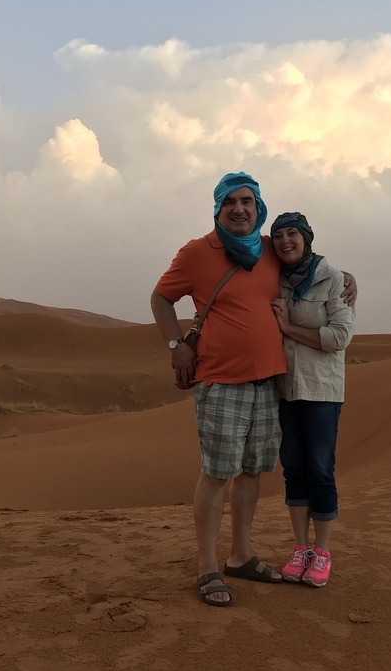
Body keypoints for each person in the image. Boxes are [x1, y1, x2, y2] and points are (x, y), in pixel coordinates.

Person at [150, 174, 355, 607]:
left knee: (251, 472)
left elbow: (307, 265)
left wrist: (346, 277)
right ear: (218, 208)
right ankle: (207, 565)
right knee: (217, 473)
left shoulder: (266, 249)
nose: (239, 209)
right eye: (231, 202)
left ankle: (241, 554)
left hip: (269, 383)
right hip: (222, 380)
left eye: (247, 201)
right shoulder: (196, 251)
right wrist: (175, 346)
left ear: (258, 206)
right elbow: (161, 297)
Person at [270, 212, 355, 588]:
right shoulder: (273, 279)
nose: (286, 241)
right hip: (285, 388)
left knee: (320, 468)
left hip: (321, 389)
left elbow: (339, 337)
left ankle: (322, 552)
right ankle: (300, 548)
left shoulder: (332, 278)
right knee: (293, 468)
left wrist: (289, 327)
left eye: (293, 234)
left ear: (306, 238)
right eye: (278, 236)